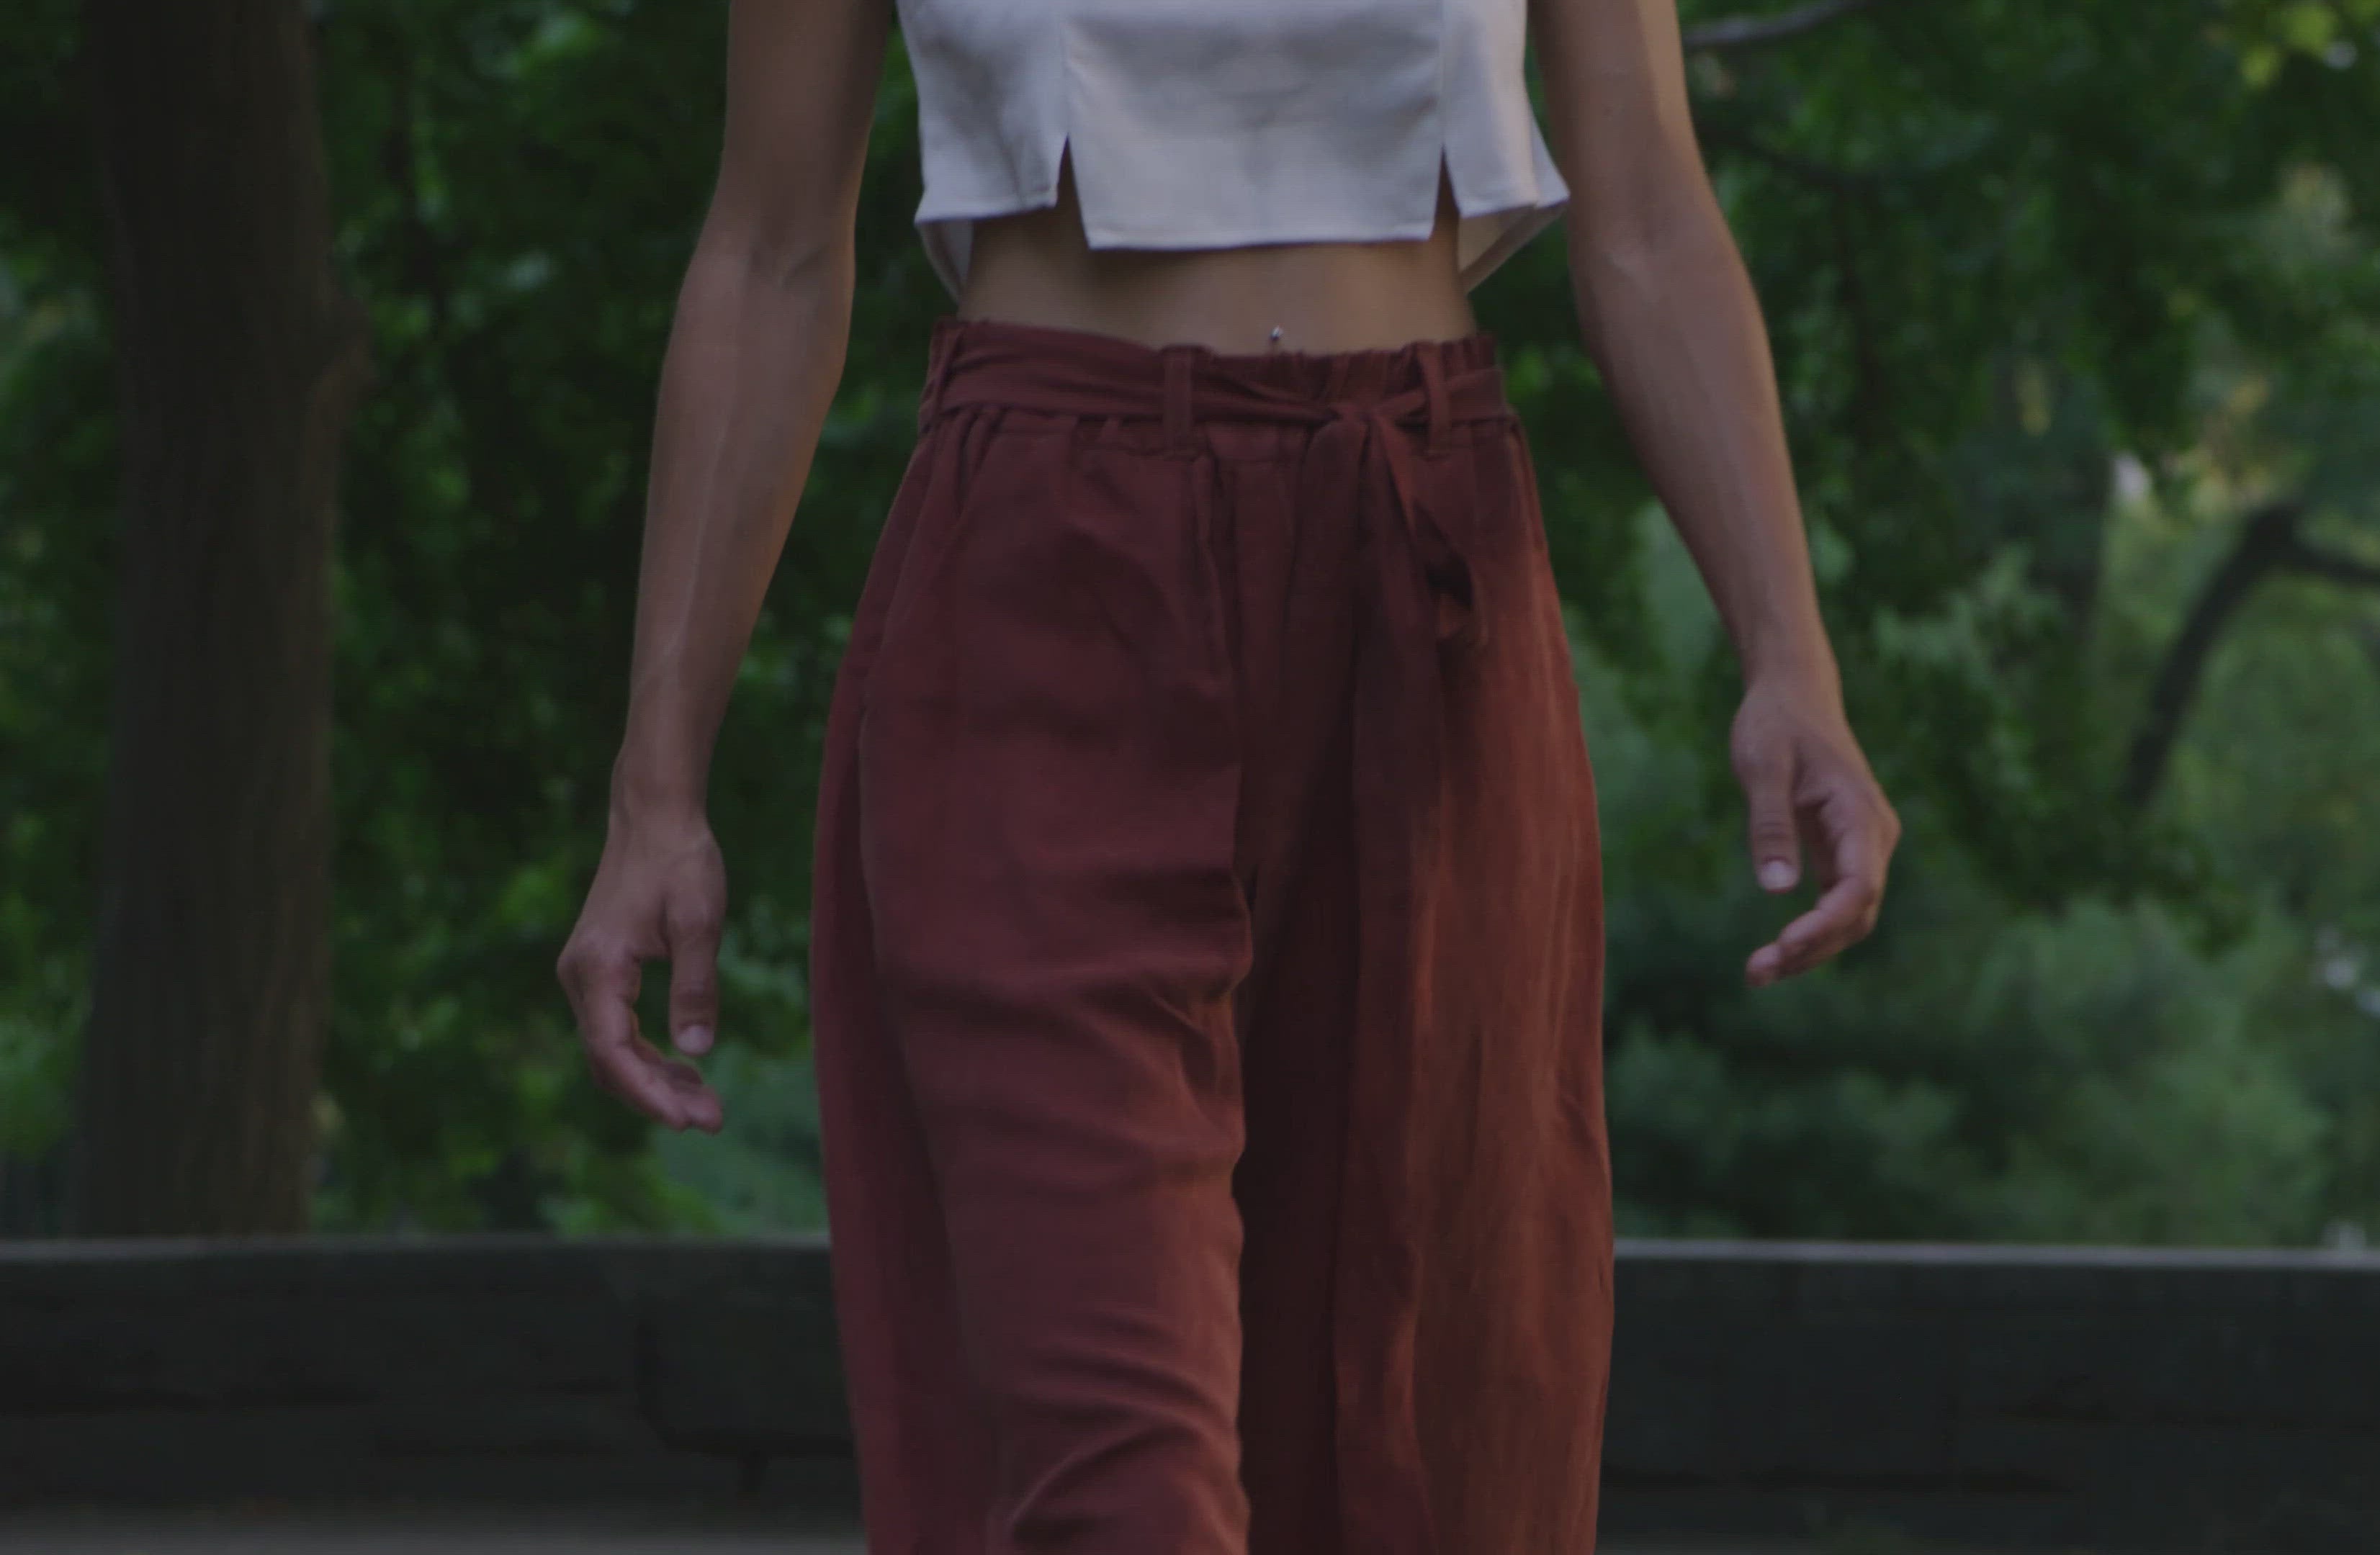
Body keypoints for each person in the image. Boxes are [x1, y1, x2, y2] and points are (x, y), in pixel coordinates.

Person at [555, 0, 1902, 1549]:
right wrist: (655, 789)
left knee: (1426, 1427)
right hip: (1043, 596)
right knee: (1113, 1480)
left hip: (1422, 590)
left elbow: (1650, 213)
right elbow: (769, 252)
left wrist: (1789, 656)